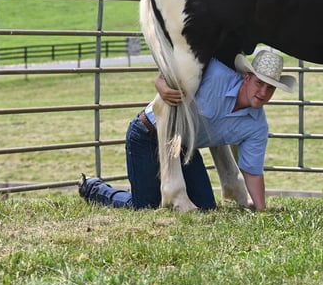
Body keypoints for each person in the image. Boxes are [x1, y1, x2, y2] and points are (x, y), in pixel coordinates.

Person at [78, 49, 295, 211]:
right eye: (259, 83)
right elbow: (180, 62)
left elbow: (253, 171)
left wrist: (261, 210)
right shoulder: (218, 74)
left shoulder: (257, 126)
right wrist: (161, 81)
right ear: (247, 77)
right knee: (145, 206)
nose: (263, 92)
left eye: (270, 87)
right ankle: (93, 189)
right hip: (148, 134)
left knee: (206, 207)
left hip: (181, 148)